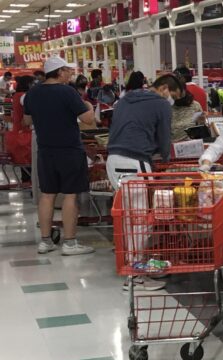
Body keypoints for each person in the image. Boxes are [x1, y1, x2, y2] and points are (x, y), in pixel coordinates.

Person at [23, 56, 97, 256]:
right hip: (69, 149)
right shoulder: (67, 92)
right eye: (68, 70)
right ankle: (70, 243)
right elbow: (88, 120)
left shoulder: (33, 93)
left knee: (47, 195)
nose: (71, 73)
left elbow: (27, 120)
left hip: (45, 150)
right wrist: (89, 106)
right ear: (59, 71)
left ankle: (45, 241)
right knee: (70, 195)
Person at [106, 73, 182, 189]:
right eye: (174, 97)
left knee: (126, 204)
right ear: (164, 88)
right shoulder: (162, 104)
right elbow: (164, 139)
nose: (173, 101)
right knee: (142, 206)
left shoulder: (125, 99)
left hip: (112, 160)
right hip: (134, 162)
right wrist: (166, 160)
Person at [5, 75, 35, 165]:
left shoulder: (16, 95)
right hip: (26, 133)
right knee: (28, 164)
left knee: (23, 164)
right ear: (28, 84)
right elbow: (26, 119)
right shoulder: (25, 96)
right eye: (33, 83)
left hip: (18, 132)